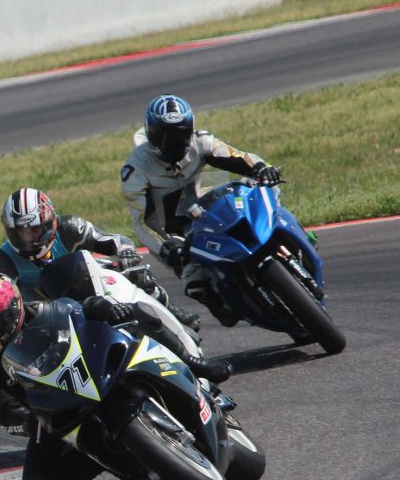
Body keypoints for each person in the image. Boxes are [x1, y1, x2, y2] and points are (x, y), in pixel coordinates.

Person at [0, 271, 230, 480]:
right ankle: (109, 458)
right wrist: (26, 421)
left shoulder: (38, 312)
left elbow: (79, 309)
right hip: (50, 410)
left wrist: (104, 308)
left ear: (12, 311)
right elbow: (2, 409)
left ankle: (194, 363)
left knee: (136, 311)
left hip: (90, 371)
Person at [120, 94, 282, 325]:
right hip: (171, 232)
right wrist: (166, 247)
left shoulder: (202, 142)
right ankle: (214, 301)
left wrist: (261, 168)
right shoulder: (135, 169)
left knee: (260, 196)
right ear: (149, 131)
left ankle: (288, 233)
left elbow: (237, 157)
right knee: (196, 281)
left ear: (190, 128)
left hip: (202, 208)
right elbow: (143, 221)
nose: (171, 142)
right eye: (162, 134)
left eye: (179, 133)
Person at [0, 187, 199, 328]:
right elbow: (4, 308)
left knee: (139, 275)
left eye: (35, 230)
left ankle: (171, 314)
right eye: (22, 232)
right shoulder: (5, 263)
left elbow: (116, 240)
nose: (29, 238)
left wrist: (125, 251)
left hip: (91, 288)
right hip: (50, 317)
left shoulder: (69, 228)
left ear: (48, 223)